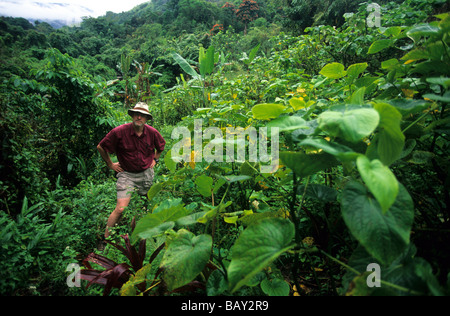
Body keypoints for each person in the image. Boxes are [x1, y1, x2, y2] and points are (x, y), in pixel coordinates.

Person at [97, 102, 166, 241]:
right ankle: (105, 240)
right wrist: (110, 164)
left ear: (147, 118)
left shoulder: (152, 133)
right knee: (121, 209)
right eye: (136, 114)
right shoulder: (120, 132)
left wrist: (155, 160)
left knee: (145, 205)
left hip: (146, 173)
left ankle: (142, 235)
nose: (139, 117)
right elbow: (101, 147)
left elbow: (161, 146)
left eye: (142, 115)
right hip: (126, 175)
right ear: (132, 115)